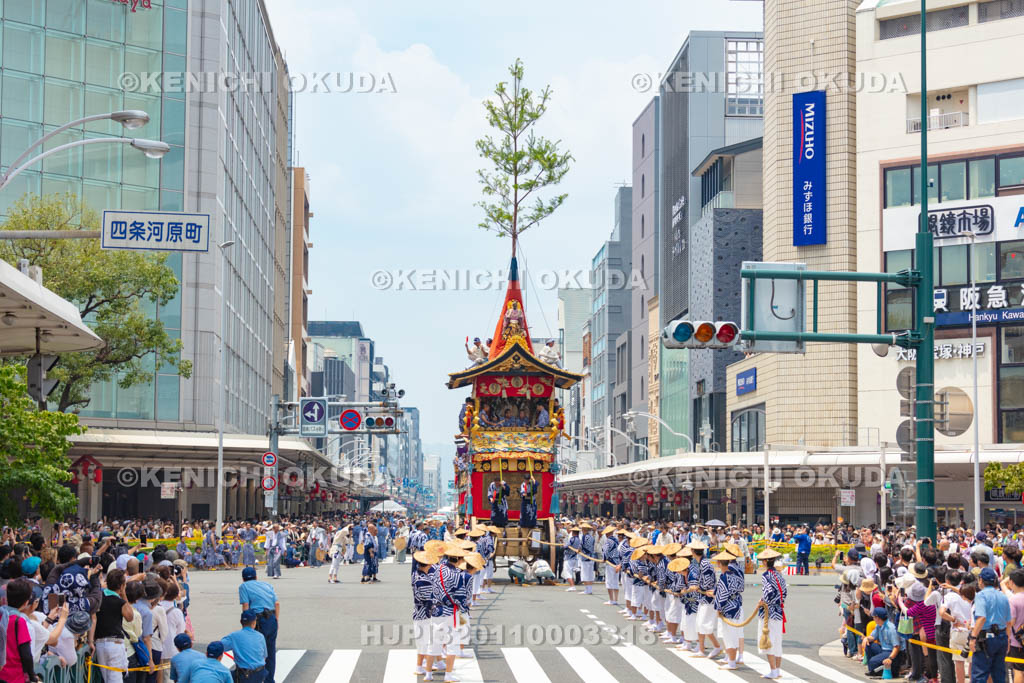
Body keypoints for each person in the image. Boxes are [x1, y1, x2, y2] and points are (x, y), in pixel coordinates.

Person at [92, 568, 135, 683]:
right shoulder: (119, 601)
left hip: (100, 643)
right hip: (115, 644)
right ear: (121, 586)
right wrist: (124, 594)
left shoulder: (99, 597)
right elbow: (130, 617)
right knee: (115, 679)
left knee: (107, 679)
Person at [238, 567, 279, 683]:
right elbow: (277, 603)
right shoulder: (267, 585)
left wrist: (245, 625)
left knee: (257, 651)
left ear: (243, 579)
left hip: (258, 621)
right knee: (270, 651)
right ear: (256, 577)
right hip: (271, 618)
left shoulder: (244, 586)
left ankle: (256, 678)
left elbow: (245, 606)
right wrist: (276, 620)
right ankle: (269, 680)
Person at [971, 567, 1011, 683]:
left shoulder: (981, 595)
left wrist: (973, 637)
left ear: (980, 580)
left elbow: (981, 617)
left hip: (986, 638)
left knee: (979, 675)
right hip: (1002, 637)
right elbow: (1008, 621)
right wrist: (1008, 639)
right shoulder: (1003, 596)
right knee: (999, 674)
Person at [755, 548, 788, 679]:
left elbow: (768, 593)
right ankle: (777, 669)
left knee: (768, 641)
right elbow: (784, 593)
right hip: (779, 611)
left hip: (769, 612)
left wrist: (762, 602)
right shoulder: (779, 575)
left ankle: (773, 670)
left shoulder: (766, 575)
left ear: (764, 562)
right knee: (777, 641)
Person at [220, 610, 267, 683]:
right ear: (254, 622)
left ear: (241, 622)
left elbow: (219, 646)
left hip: (244, 675)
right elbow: (264, 657)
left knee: (225, 676)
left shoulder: (234, 636)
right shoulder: (260, 636)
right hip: (260, 674)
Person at [863, 606, 902, 677]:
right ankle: (872, 670)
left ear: (877, 618)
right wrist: (866, 639)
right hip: (883, 650)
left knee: (873, 661)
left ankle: (889, 670)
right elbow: (872, 637)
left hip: (891, 652)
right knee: (868, 645)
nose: (873, 618)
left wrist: (890, 658)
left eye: (874, 617)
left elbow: (897, 647)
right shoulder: (879, 626)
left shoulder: (891, 628)